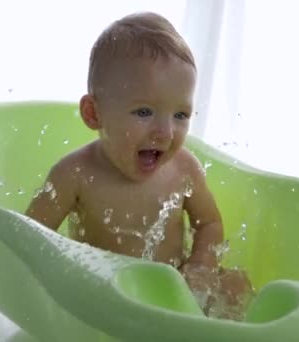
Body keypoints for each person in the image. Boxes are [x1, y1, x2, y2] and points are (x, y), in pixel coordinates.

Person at [25, 11, 253, 320]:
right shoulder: (74, 174)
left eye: (180, 115)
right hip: (102, 293)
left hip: (171, 292)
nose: (166, 132)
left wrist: (200, 265)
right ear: (94, 114)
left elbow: (209, 224)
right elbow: (30, 235)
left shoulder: (184, 170)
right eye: (144, 112)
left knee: (236, 283)